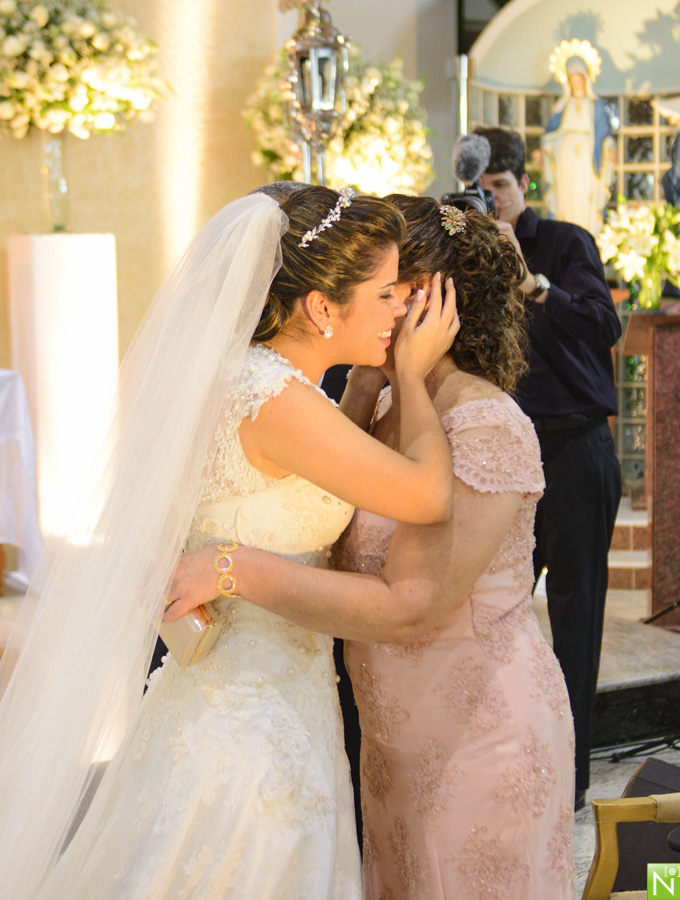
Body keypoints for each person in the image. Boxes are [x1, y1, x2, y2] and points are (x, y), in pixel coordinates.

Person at [0, 186, 459, 899]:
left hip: (240, 696)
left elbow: (309, 474)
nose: (401, 310)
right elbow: (427, 495)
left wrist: (366, 385)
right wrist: (411, 376)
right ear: (322, 307)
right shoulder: (273, 400)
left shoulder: (259, 380)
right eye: (385, 294)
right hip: (252, 732)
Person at [168, 197, 577, 899]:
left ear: (436, 303)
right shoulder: (390, 406)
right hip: (390, 737)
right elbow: (322, 511)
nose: (384, 305)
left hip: (477, 731)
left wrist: (230, 568)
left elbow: (413, 603)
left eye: (395, 290)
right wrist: (370, 382)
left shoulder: (483, 421)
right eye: (378, 290)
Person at [476, 125, 622, 811]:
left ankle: (570, 780)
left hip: (572, 448)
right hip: (505, 455)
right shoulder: (471, 255)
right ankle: (506, 763)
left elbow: (603, 324)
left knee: (574, 617)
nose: (493, 202)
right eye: (481, 192)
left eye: (500, 188)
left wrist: (533, 283)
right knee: (493, 611)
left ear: (523, 183)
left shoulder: (565, 242)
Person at [540, 52, 616, 237]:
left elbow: (604, 134)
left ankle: (588, 233)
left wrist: (609, 147)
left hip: (588, 156)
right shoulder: (562, 106)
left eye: (579, 80)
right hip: (566, 156)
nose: (576, 84)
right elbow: (552, 134)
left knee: (586, 194)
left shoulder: (595, 106)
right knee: (567, 195)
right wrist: (545, 147)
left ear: (585, 80)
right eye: (572, 81)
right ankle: (568, 235)